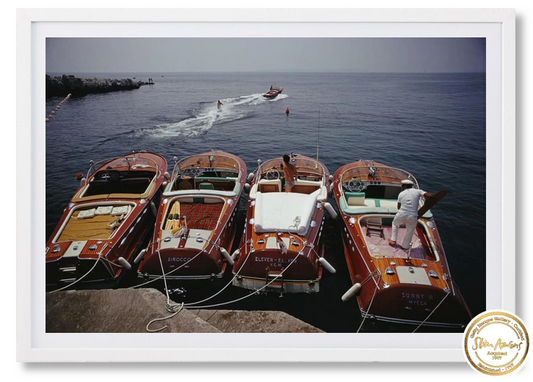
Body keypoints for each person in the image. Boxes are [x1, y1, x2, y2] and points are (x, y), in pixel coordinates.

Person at [389, 179, 432, 249]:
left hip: (402, 214)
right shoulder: (418, 191)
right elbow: (429, 195)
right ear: (411, 186)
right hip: (413, 216)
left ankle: (393, 240)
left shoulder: (401, 194)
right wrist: (427, 200)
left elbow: (398, 207)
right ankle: (405, 246)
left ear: (405, 186)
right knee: (410, 231)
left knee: (395, 224)